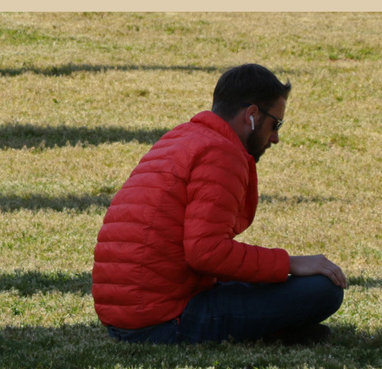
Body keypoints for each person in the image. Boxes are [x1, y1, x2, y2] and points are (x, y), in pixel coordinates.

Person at [90, 63, 346, 345]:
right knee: (322, 289)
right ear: (251, 115)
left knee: (266, 285)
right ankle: (273, 329)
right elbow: (206, 253)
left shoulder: (182, 138)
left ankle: (276, 328)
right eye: (275, 124)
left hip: (129, 314)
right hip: (161, 321)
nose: (275, 137)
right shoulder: (221, 152)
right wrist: (290, 264)